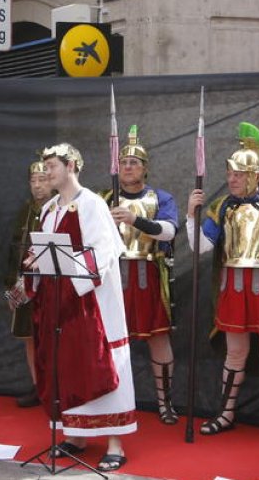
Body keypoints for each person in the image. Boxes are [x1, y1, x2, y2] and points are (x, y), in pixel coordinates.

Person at [187, 122, 259, 435]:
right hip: (233, 289)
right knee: (235, 353)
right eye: (229, 174)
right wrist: (191, 216)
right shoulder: (224, 206)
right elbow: (201, 247)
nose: (231, 179)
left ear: (255, 175)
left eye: (238, 174)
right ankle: (225, 415)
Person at [28, 143, 135, 473]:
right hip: (61, 303)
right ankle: (76, 435)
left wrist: (69, 270)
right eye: (44, 166)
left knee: (103, 362)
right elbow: (47, 251)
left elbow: (105, 251)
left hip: (94, 305)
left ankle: (115, 442)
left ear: (71, 165)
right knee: (68, 363)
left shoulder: (92, 204)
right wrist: (36, 261)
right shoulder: (49, 209)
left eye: (53, 165)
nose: (47, 171)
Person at [104, 126, 180, 424]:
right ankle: (111, 399)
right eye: (123, 162)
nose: (128, 166)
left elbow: (170, 232)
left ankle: (165, 402)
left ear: (145, 168)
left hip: (148, 275)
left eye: (134, 162)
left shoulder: (160, 198)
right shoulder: (104, 197)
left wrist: (135, 219)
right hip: (113, 277)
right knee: (109, 341)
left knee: (158, 339)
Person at [4, 158, 53, 407]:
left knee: (51, 337)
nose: (37, 186)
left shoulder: (60, 209)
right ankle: (38, 387)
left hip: (50, 287)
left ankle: (55, 388)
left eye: (42, 180)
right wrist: (11, 284)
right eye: (33, 181)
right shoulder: (26, 209)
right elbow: (15, 247)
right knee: (29, 337)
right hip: (24, 284)